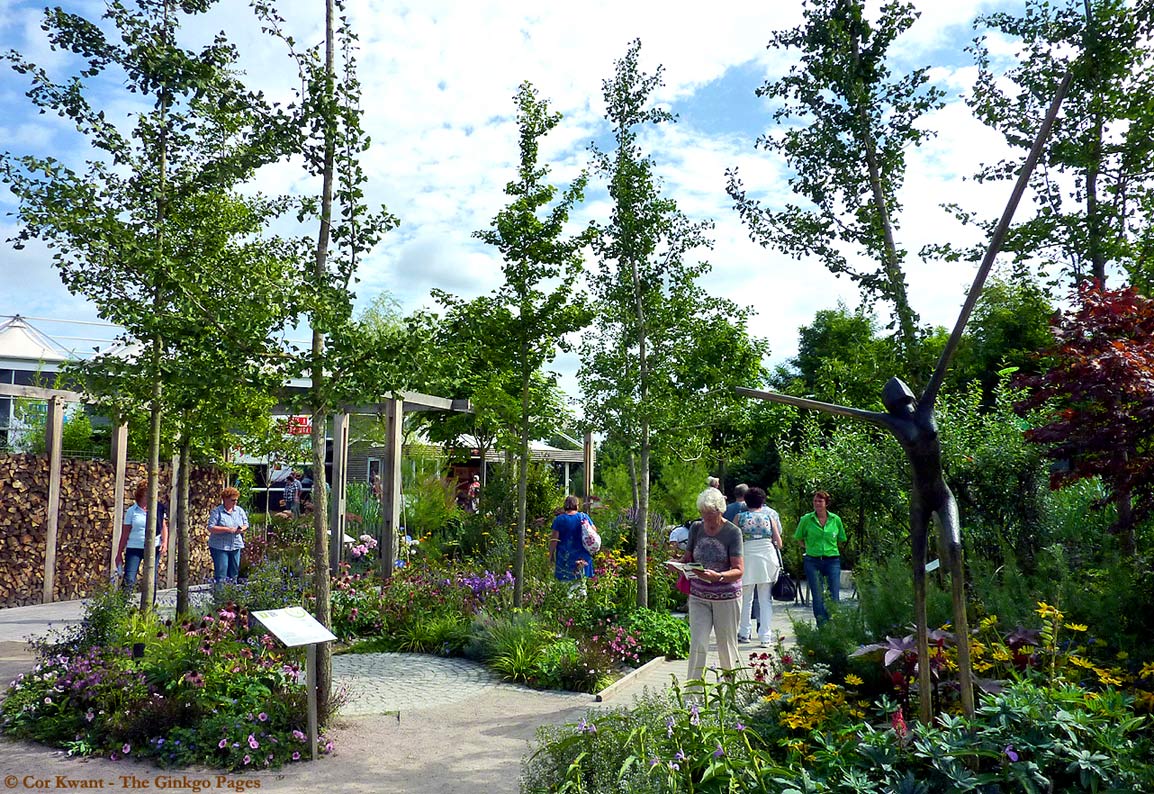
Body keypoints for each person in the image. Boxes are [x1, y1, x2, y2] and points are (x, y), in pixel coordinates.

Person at [672, 488, 744, 684]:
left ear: (720, 512)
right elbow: (688, 557)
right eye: (703, 515)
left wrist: (719, 576)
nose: (707, 521)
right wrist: (678, 564)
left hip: (726, 596)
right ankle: (692, 693)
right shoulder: (696, 528)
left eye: (710, 516)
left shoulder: (732, 532)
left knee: (726, 646)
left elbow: (738, 570)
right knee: (698, 644)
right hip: (698, 595)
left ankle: (730, 690)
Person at [735, 487, 782, 646]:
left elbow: (733, 541)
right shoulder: (769, 517)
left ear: (745, 501)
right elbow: (779, 543)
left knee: (745, 598)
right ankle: (765, 637)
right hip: (767, 559)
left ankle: (744, 633)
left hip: (747, 558)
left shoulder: (739, 518)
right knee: (765, 599)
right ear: (762, 501)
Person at [794, 490, 846, 624]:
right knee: (818, 595)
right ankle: (822, 626)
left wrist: (830, 548)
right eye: (815, 501)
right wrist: (810, 547)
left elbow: (841, 538)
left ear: (826, 503)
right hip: (813, 560)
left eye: (820, 501)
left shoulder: (835, 519)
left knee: (834, 594)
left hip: (832, 560)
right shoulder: (806, 519)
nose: (817, 503)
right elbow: (799, 538)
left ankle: (833, 625)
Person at [115, 481, 169, 594]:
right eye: (147, 493)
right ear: (141, 494)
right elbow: (125, 533)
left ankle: (149, 608)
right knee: (129, 578)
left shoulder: (158, 508)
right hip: (134, 547)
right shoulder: (132, 511)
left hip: (153, 547)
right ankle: (122, 606)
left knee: (151, 579)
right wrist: (119, 553)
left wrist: (165, 542)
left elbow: (163, 526)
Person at [549, 495, 595, 594]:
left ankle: (567, 604)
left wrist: (551, 554)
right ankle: (581, 603)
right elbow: (594, 531)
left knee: (566, 584)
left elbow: (554, 539)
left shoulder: (559, 520)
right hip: (583, 556)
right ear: (577, 505)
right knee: (581, 582)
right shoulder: (583, 517)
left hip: (565, 556)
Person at [207, 486, 248, 587]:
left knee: (234, 573)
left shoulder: (239, 511)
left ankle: (231, 598)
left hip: (235, 545)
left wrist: (241, 529)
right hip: (220, 546)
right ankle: (220, 599)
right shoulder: (217, 512)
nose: (235, 503)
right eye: (233, 500)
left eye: (236, 500)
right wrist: (227, 529)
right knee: (221, 573)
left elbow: (246, 524)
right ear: (225, 499)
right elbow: (211, 527)